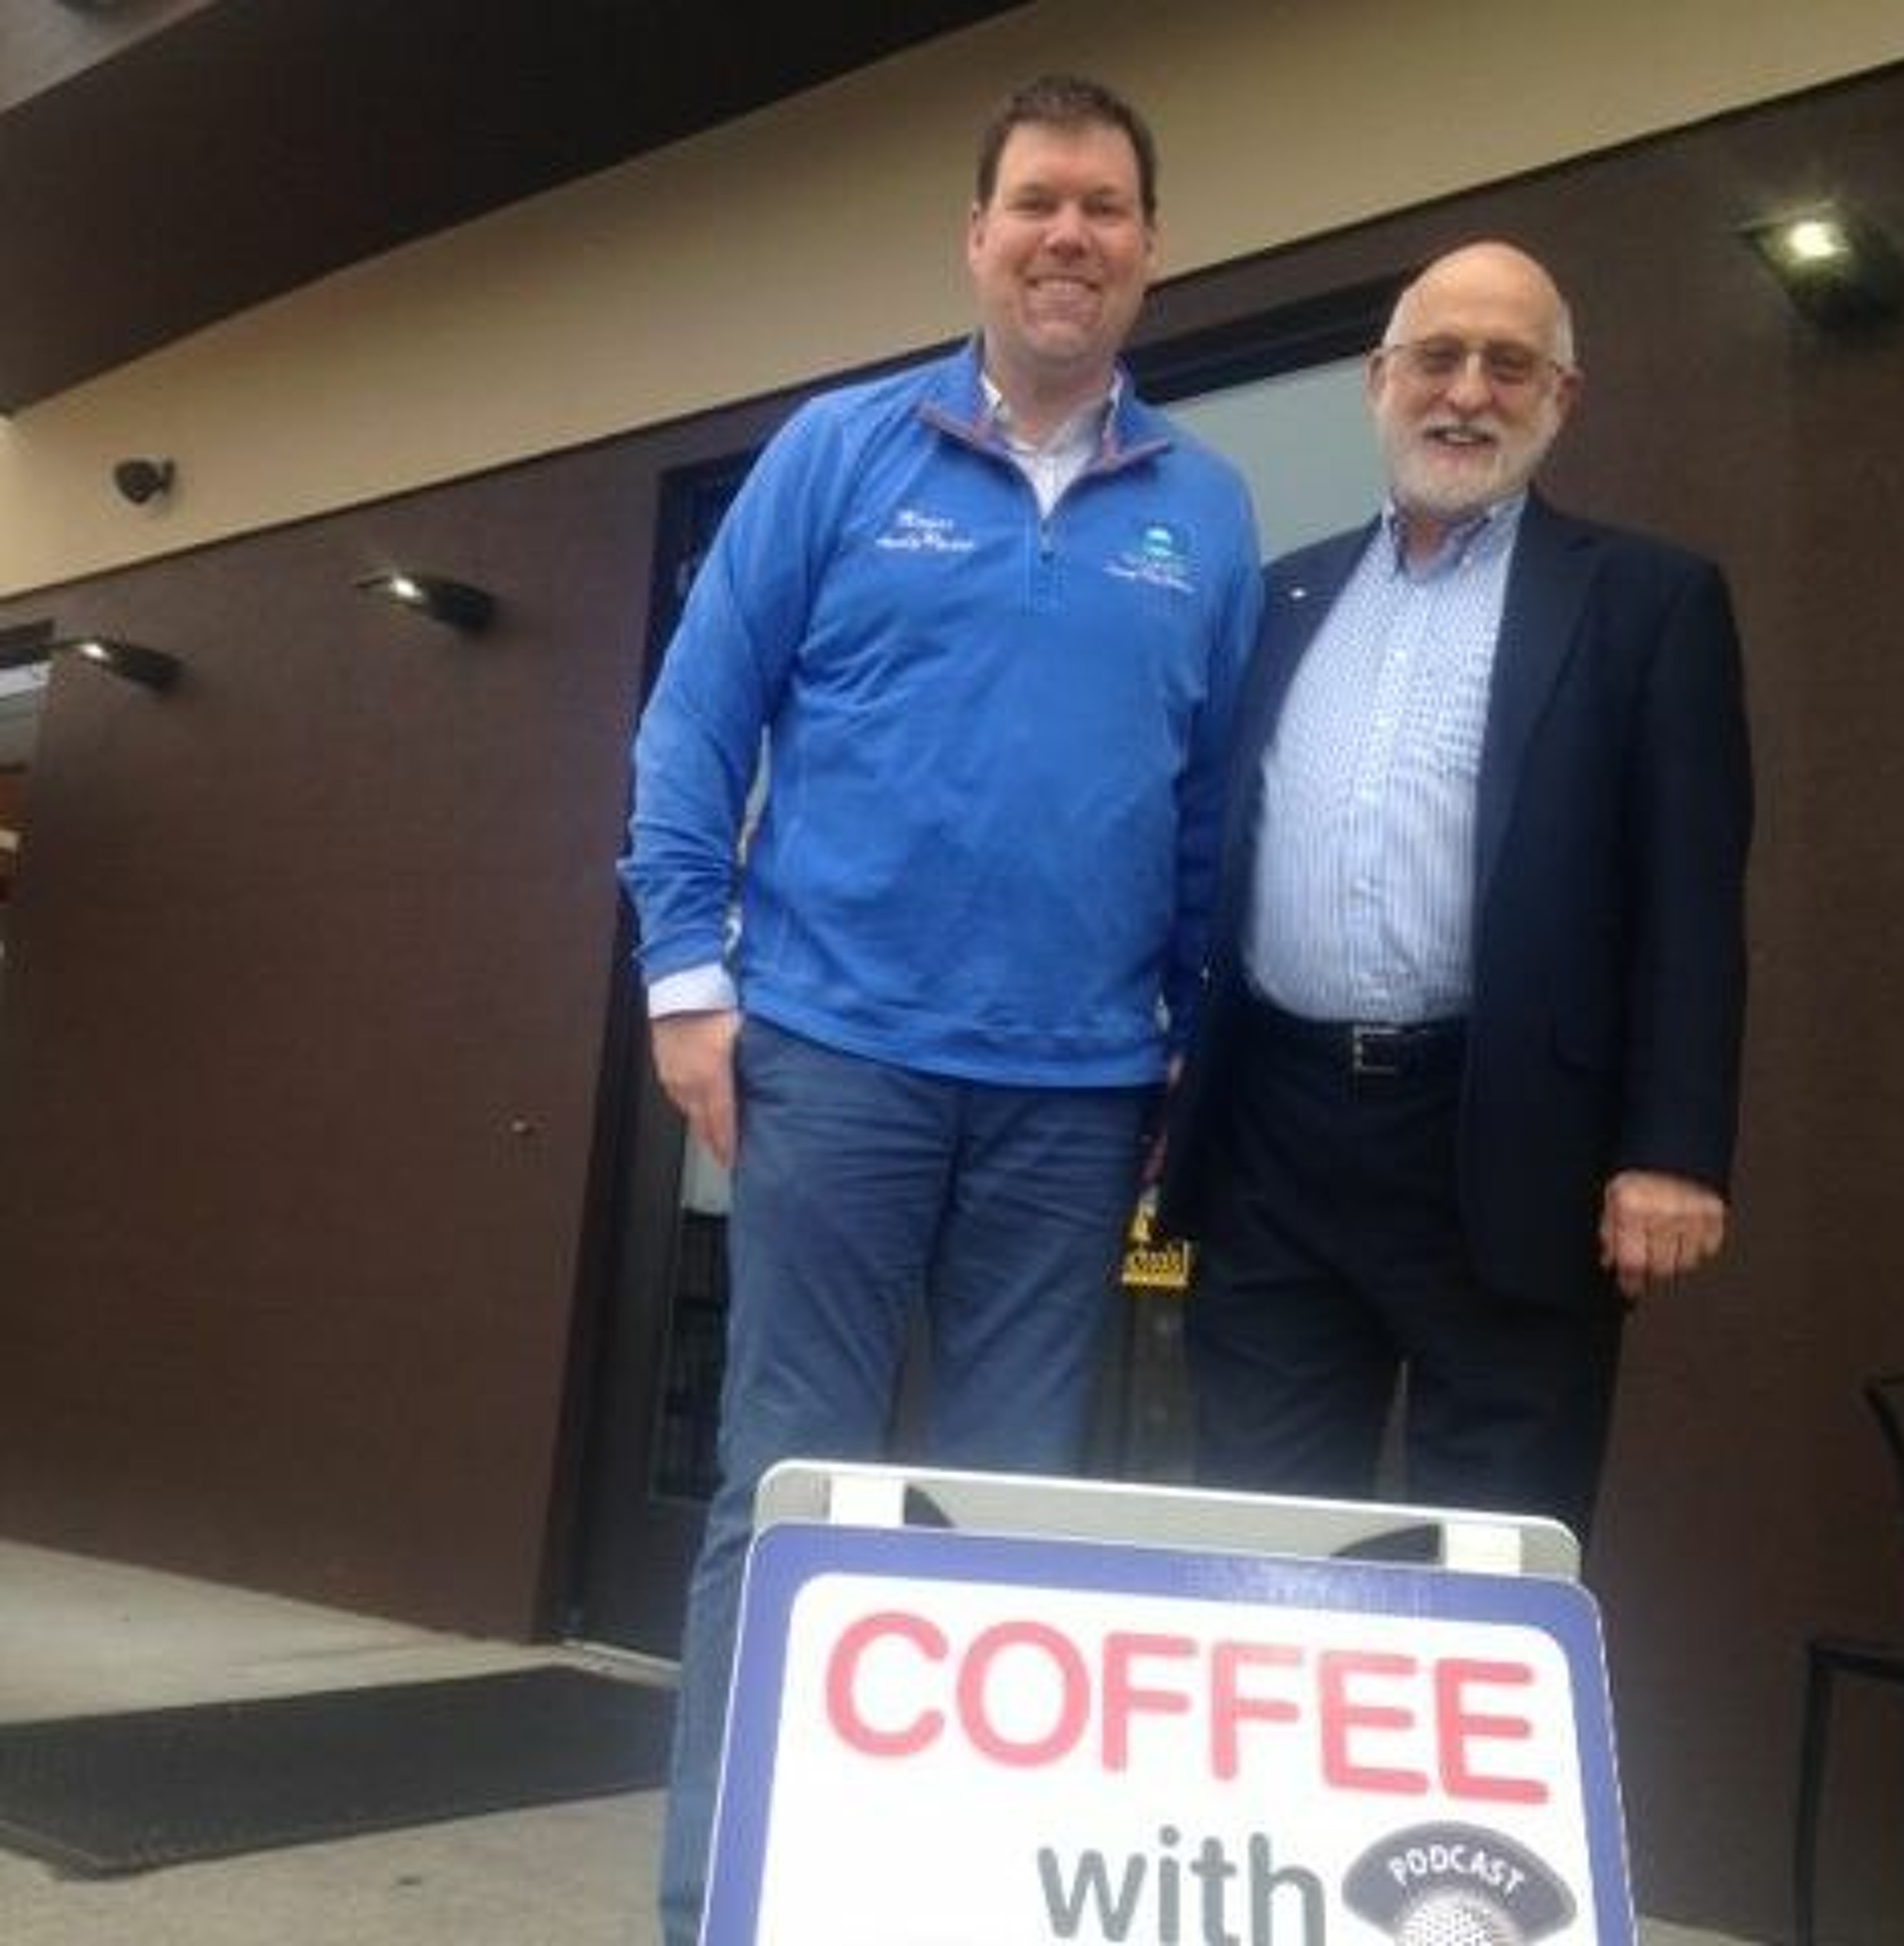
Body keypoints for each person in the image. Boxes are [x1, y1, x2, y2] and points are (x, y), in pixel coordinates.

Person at [619, 73, 1261, 1945]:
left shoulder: (1206, 510)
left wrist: (1188, 1049)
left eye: (1106, 207)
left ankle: (944, 1901)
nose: (1071, 235)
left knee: (1008, 1521)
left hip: (1076, 1101)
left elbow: (1208, 814)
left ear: (1150, 251)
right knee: (788, 1494)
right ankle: (724, 1904)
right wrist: (685, 982)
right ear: (977, 236)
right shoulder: (839, 452)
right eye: (1038, 201)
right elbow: (694, 723)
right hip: (834, 1060)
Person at [1159, 240, 1752, 1545]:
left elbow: (1693, 900)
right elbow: (1213, 842)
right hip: (1277, 1140)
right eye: (1437, 357)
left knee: (1490, 1560)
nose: (1468, 393)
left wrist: (1672, 1148)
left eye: (1508, 364)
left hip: (1514, 1146)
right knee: (1260, 1546)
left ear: (1563, 398)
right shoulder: (1283, 597)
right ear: (1378, 381)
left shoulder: (1647, 602)